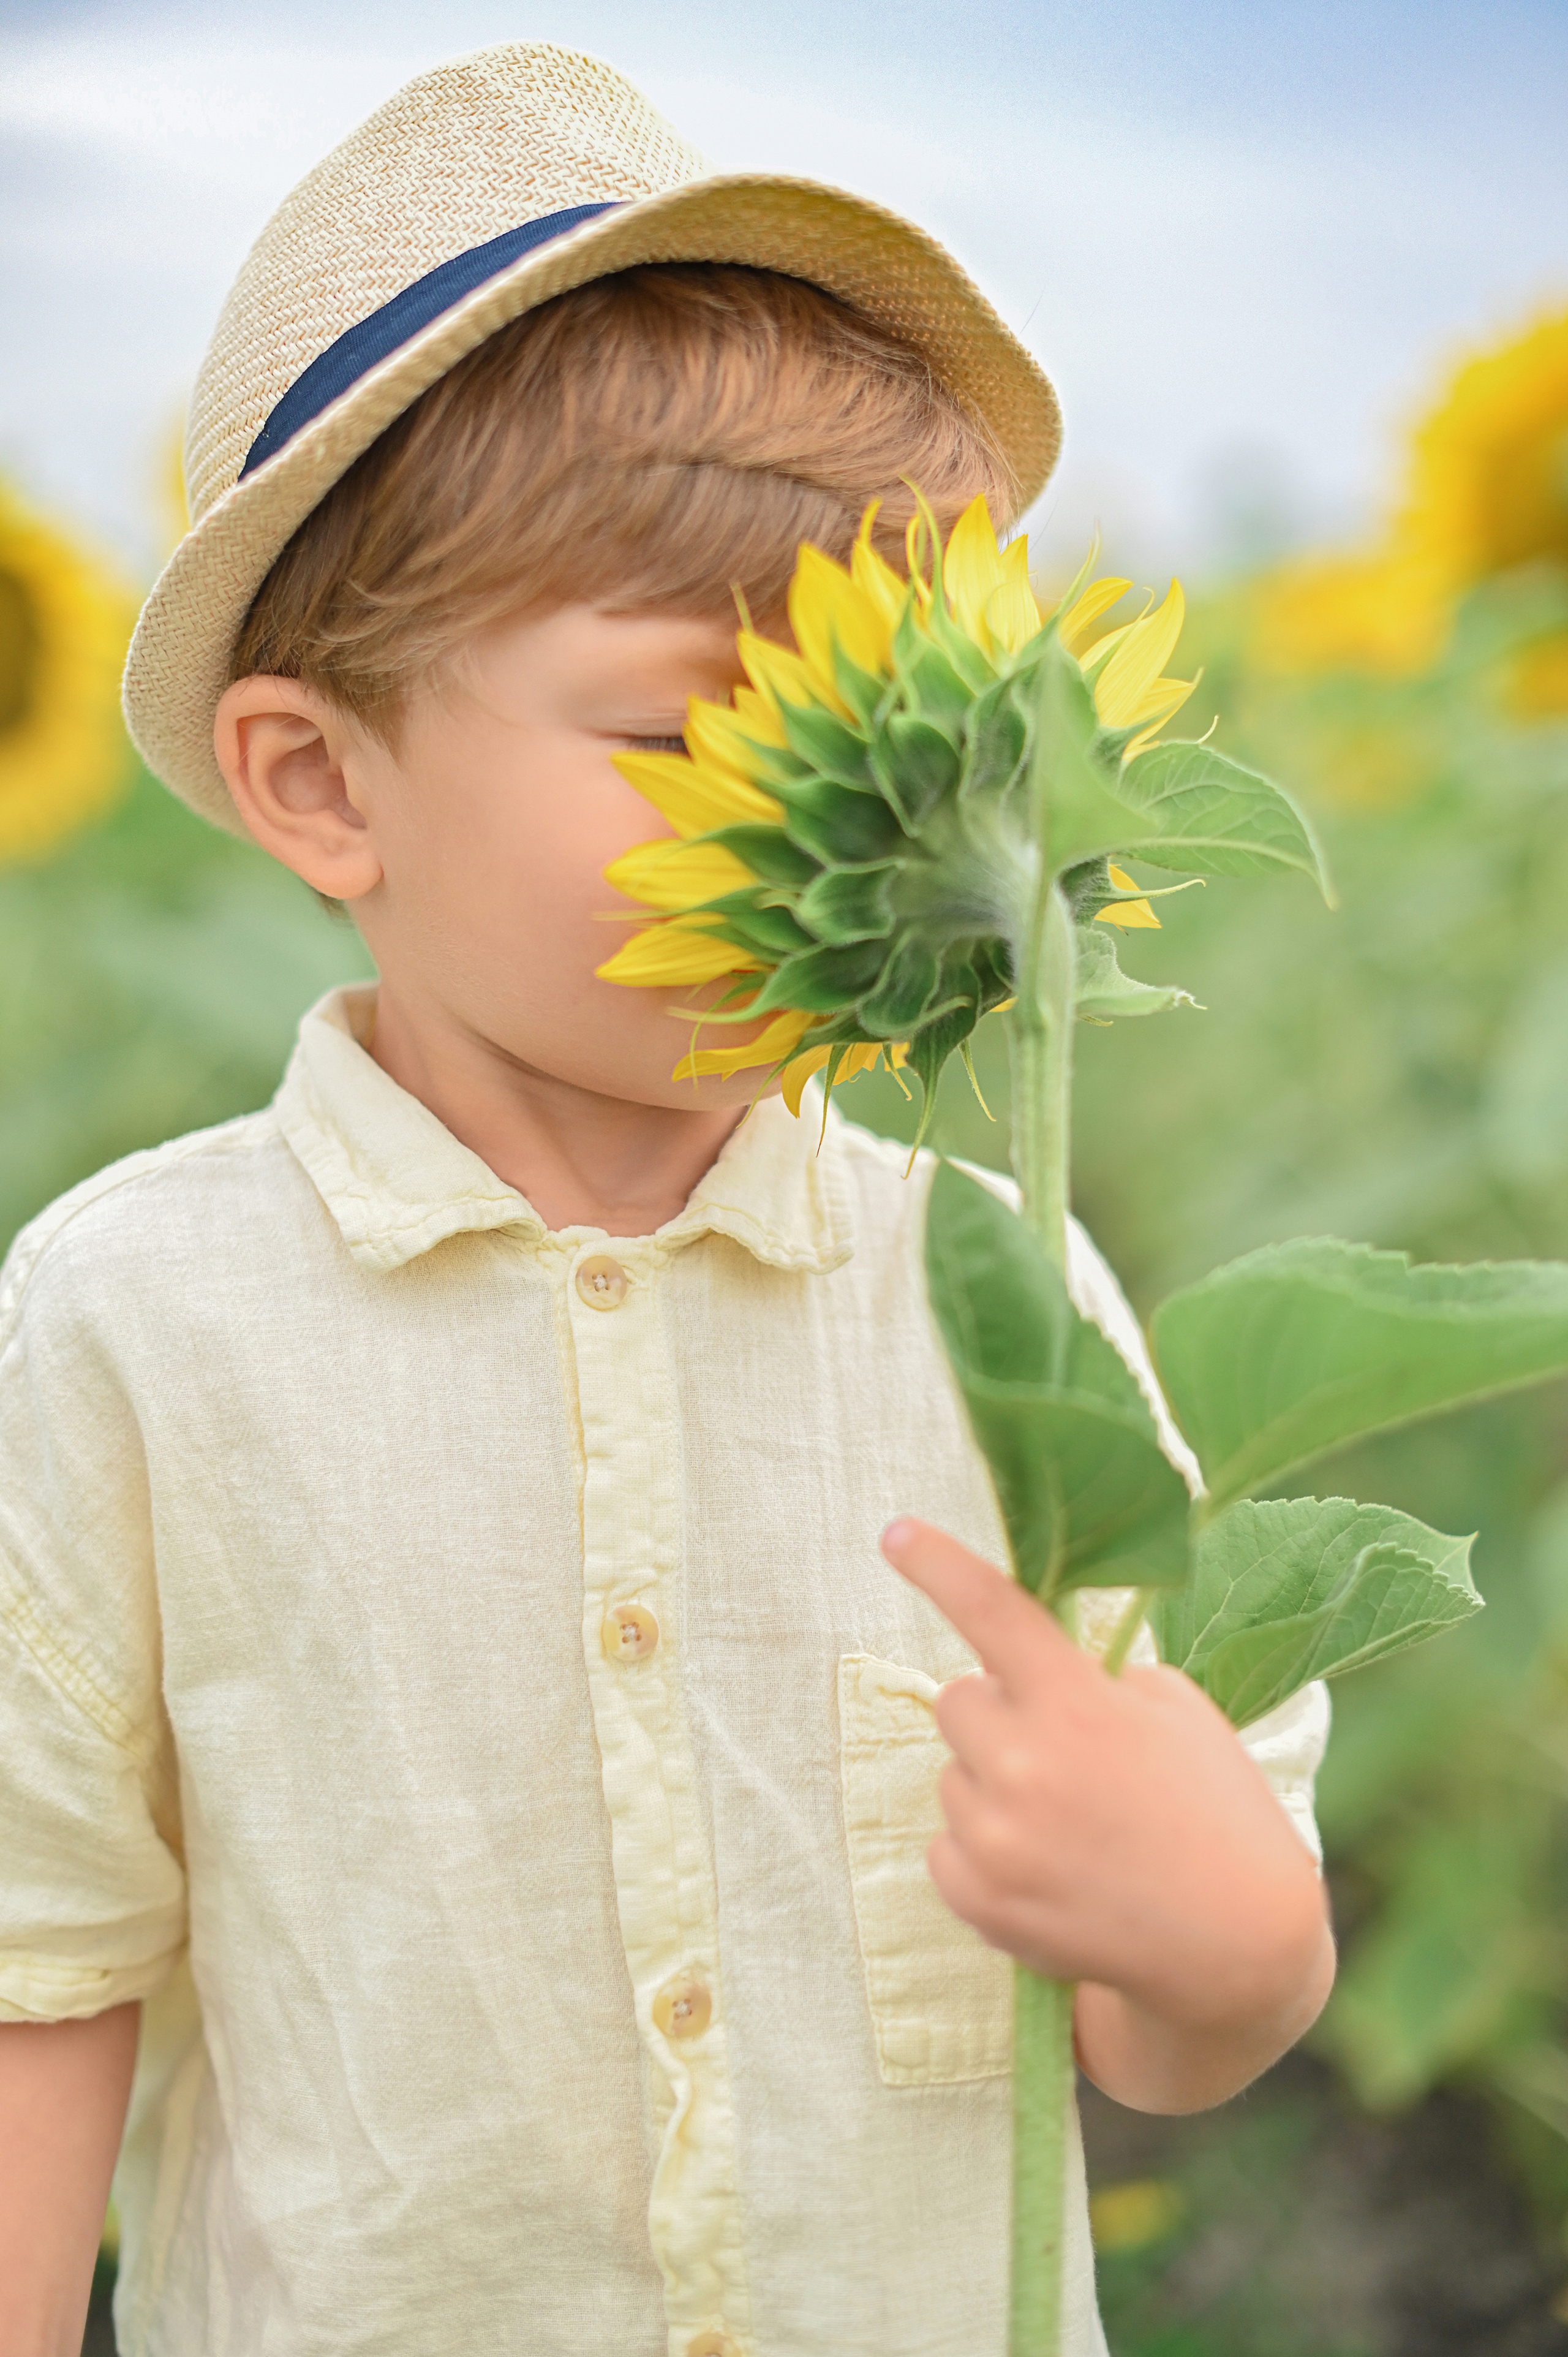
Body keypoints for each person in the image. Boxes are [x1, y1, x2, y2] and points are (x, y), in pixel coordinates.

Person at [0, 42, 1333, 2357]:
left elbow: (1156, 2037)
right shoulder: (145, 1325)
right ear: (321, 782)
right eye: (682, 730)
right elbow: (43, 1964)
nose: (837, 811)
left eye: (890, 727)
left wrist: (1230, 1941)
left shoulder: (994, 1292)